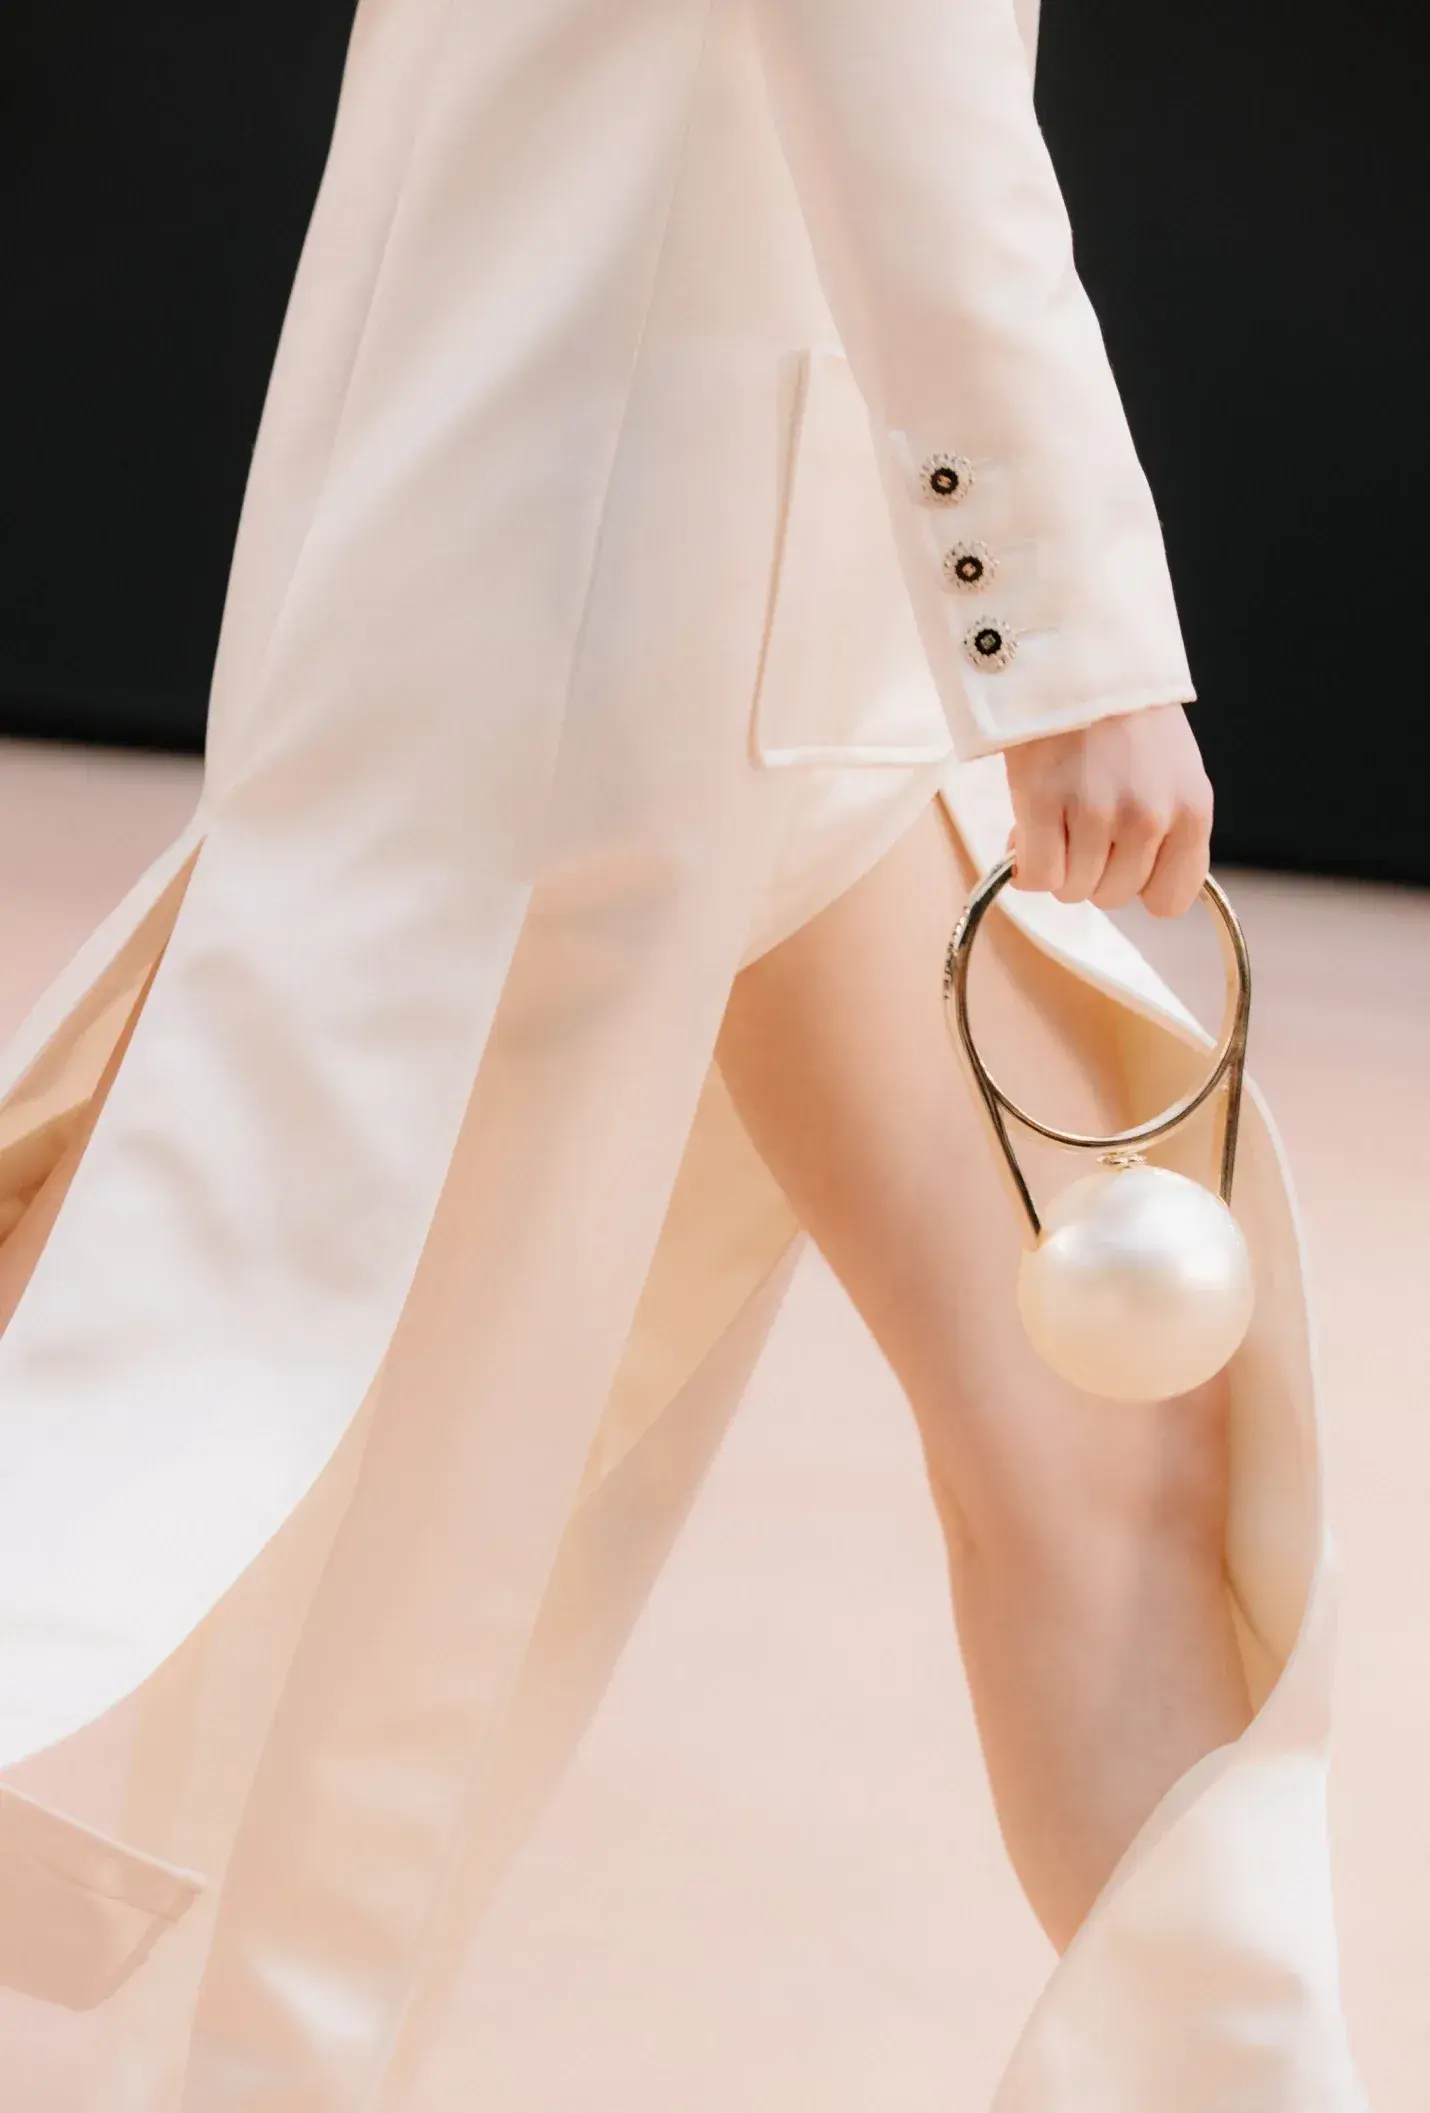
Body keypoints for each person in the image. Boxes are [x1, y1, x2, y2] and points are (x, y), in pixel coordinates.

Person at [0, 0, 1366, 2105]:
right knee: (414, 1533)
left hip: (756, 580)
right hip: (620, 596)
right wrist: (1069, 640)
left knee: (1105, 1438)